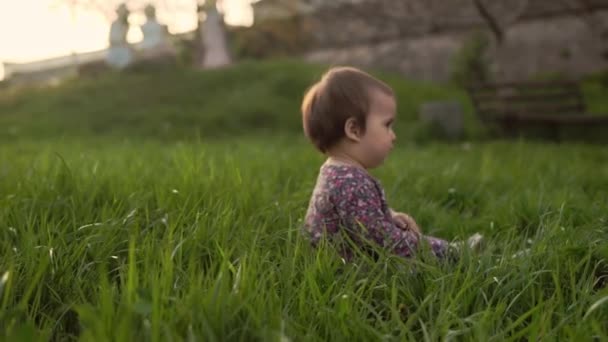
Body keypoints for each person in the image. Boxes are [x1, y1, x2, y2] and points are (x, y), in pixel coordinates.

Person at [301, 66, 482, 261]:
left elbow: (360, 219)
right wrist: (433, 249)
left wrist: (389, 215)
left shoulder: (336, 173)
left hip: (348, 266)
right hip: (353, 275)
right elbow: (386, 241)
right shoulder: (349, 182)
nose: (393, 136)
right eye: (387, 125)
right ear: (354, 130)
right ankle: (457, 254)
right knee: (417, 264)